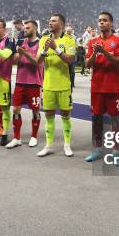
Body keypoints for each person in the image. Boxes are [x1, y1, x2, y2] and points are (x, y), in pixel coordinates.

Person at [84, 12, 119, 163]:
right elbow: (87, 64)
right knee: (96, 119)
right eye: (100, 20)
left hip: (112, 88)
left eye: (105, 20)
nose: (101, 23)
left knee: (115, 120)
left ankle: (116, 151)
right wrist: (96, 53)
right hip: (96, 88)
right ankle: (98, 149)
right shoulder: (92, 42)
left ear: (111, 23)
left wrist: (104, 52)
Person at [36, 13, 76, 157]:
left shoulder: (69, 40)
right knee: (49, 115)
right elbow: (38, 62)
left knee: (65, 115)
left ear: (62, 24)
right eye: (50, 20)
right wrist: (46, 49)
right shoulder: (43, 40)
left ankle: (67, 144)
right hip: (48, 85)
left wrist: (56, 49)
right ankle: (48, 145)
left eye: (54, 21)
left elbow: (70, 60)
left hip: (64, 85)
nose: (50, 22)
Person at [6, 20, 43, 149]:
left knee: (35, 110)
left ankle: (34, 136)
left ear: (35, 28)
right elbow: (14, 61)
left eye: (28, 28)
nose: (25, 30)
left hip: (34, 83)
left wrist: (24, 53)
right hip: (20, 81)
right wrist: (16, 53)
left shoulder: (41, 43)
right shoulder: (21, 42)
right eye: (25, 28)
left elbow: (37, 62)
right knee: (15, 109)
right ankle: (17, 138)